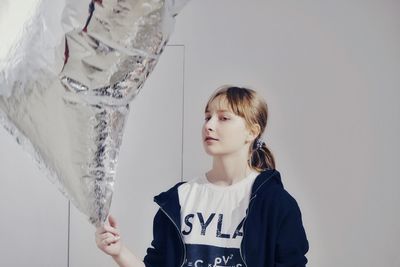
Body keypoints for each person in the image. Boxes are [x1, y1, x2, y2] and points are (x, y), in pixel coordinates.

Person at [95, 85, 309, 267]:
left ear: (252, 132)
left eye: (224, 118)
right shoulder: (179, 199)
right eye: (207, 117)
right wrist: (119, 251)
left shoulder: (276, 204)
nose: (209, 125)